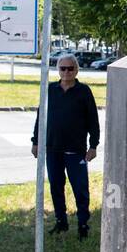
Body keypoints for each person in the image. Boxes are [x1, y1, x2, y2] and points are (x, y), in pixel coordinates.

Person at [30, 54, 100, 239]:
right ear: (58, 70)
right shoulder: (50, 90)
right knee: (56, 187)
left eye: (70, 68)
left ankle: (83, 224)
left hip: (75, 150)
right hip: (52, 149)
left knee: (80, 189)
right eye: (63, 68)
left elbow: (93, 120)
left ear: (76, 70)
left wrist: (93, 146)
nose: (66, 72)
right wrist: (35, 141)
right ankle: (61, 222)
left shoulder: (84, 91)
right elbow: (40, 118)